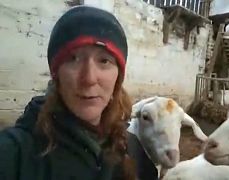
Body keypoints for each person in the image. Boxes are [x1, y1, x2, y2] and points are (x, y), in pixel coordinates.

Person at [0, 5, 158, 180]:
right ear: (56, 74)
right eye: (73, 59)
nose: (89, 78)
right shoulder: (15, 154)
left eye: (104, 60)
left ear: (117, 78)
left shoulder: (134, 151)